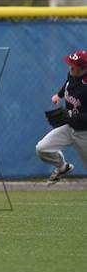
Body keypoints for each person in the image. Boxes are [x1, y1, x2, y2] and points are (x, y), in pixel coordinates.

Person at [36, 50, 87, 184]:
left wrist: (70, 116)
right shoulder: (72, 74)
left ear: (84, 68)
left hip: (84, 133)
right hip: (69, 127)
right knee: (42, 148)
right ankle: (63, 167)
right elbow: (67, 84)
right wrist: (59, 95)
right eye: (70, 64)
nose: (70, 67)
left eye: (73, 65)